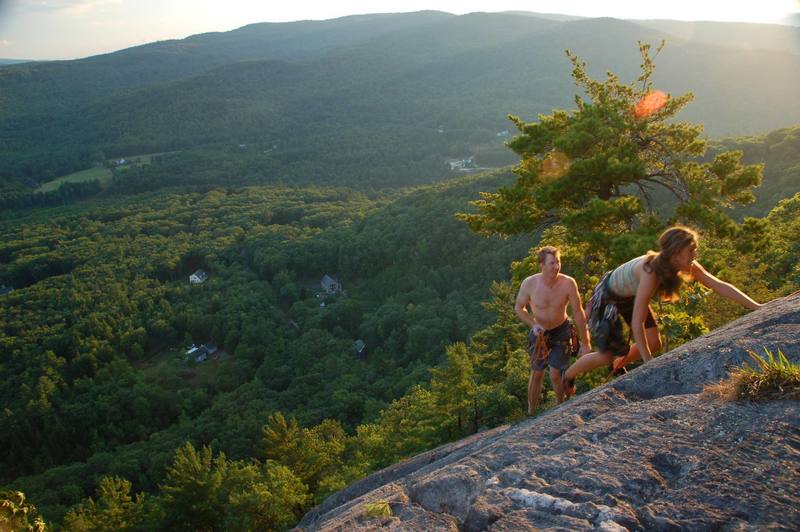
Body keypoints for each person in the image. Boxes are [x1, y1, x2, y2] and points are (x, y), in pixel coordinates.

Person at [563, 225, 763, 396]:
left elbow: (718, 284)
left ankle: (618, 365)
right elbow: (637, 323)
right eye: (691, 250)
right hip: (608, 297)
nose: (695, 255)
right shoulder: (650, 272)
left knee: (654, 342)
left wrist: (757, 307)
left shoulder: (686, 265)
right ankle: (569, 375)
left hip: (629, 294)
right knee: (606, 355)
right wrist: (650, 365)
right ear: (676, 253)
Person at [515, 246, 591, 415]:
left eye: (558, 262)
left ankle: (560, 407)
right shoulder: (530, 284)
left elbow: (578, 312)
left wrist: (586, 343)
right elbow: (519, 308)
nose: (556, 267)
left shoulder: (568, 283)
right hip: (539, 333)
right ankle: (531, 413)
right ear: (542, 264)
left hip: (562, 330)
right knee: (537, 373)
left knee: (556, 373)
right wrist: (533, 324)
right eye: (552, 263)